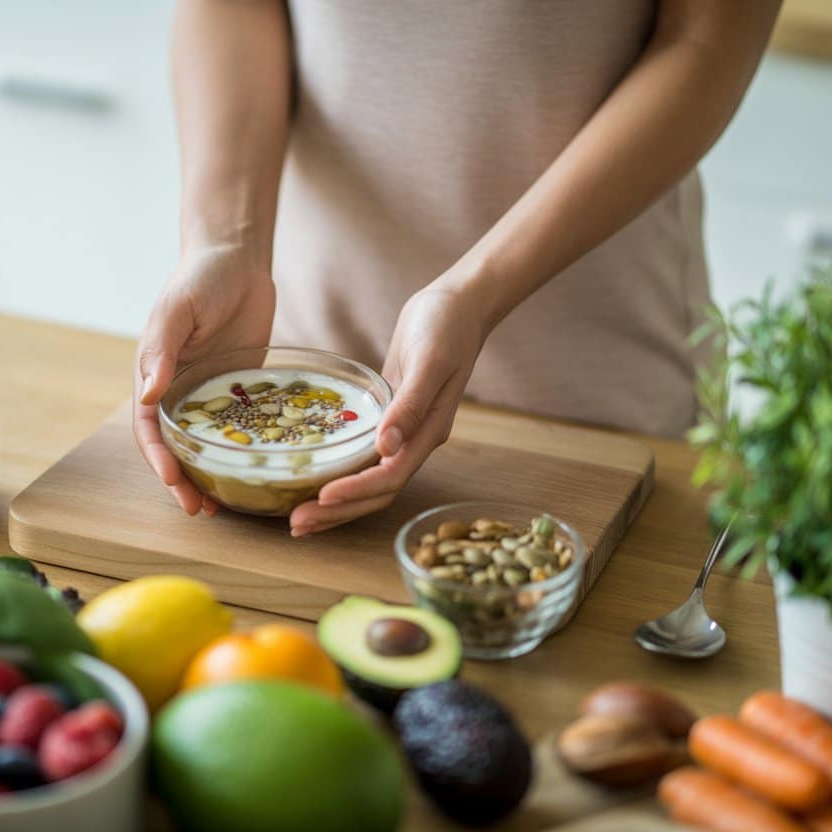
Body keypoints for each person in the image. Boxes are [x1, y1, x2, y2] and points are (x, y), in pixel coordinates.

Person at [134, 0, 781, 536]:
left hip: (597, 392)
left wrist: (474, 293)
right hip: (302, 345)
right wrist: (228, 245)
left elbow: (703, 41)